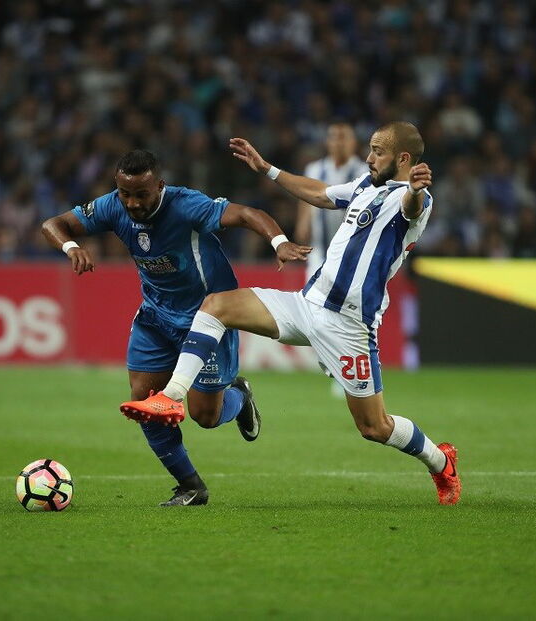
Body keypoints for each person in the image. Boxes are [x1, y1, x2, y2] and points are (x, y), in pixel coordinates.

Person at [121, 123, 462, 505]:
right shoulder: (367, 186)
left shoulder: (416, 200)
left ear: (403, 158)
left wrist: (414, 189)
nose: (368, 158)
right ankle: (171, 396)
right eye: (370, 148)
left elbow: (410, 207)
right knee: (216, 305)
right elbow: (318, 193)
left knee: (374, 426)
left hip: (349, 325)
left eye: (378, 151)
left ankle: (441, 461)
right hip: (306, 304)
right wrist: (267, 169)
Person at [42, 149, 311, 506]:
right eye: (125, 194)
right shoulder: (111, 206)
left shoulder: (186, 205)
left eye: (141, 194)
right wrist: (71, 247)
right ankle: (190, 486)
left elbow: (248, 214)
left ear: (160, 186)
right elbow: (53, 225)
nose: (132, 203)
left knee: (205, 416)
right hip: (155, 318)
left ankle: (239, 395)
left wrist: (279, 242)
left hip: (208, 319)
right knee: (143, 402)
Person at [295, 121, 369, 280]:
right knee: (313, 292)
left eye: (343, 137)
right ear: (327, 142)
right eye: (334, 137)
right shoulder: (314, 169)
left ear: (353, 142)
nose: (339, 143)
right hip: (319, 249)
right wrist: (303, 223)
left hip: (353, 251)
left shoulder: (364, 171)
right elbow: (306, 198)